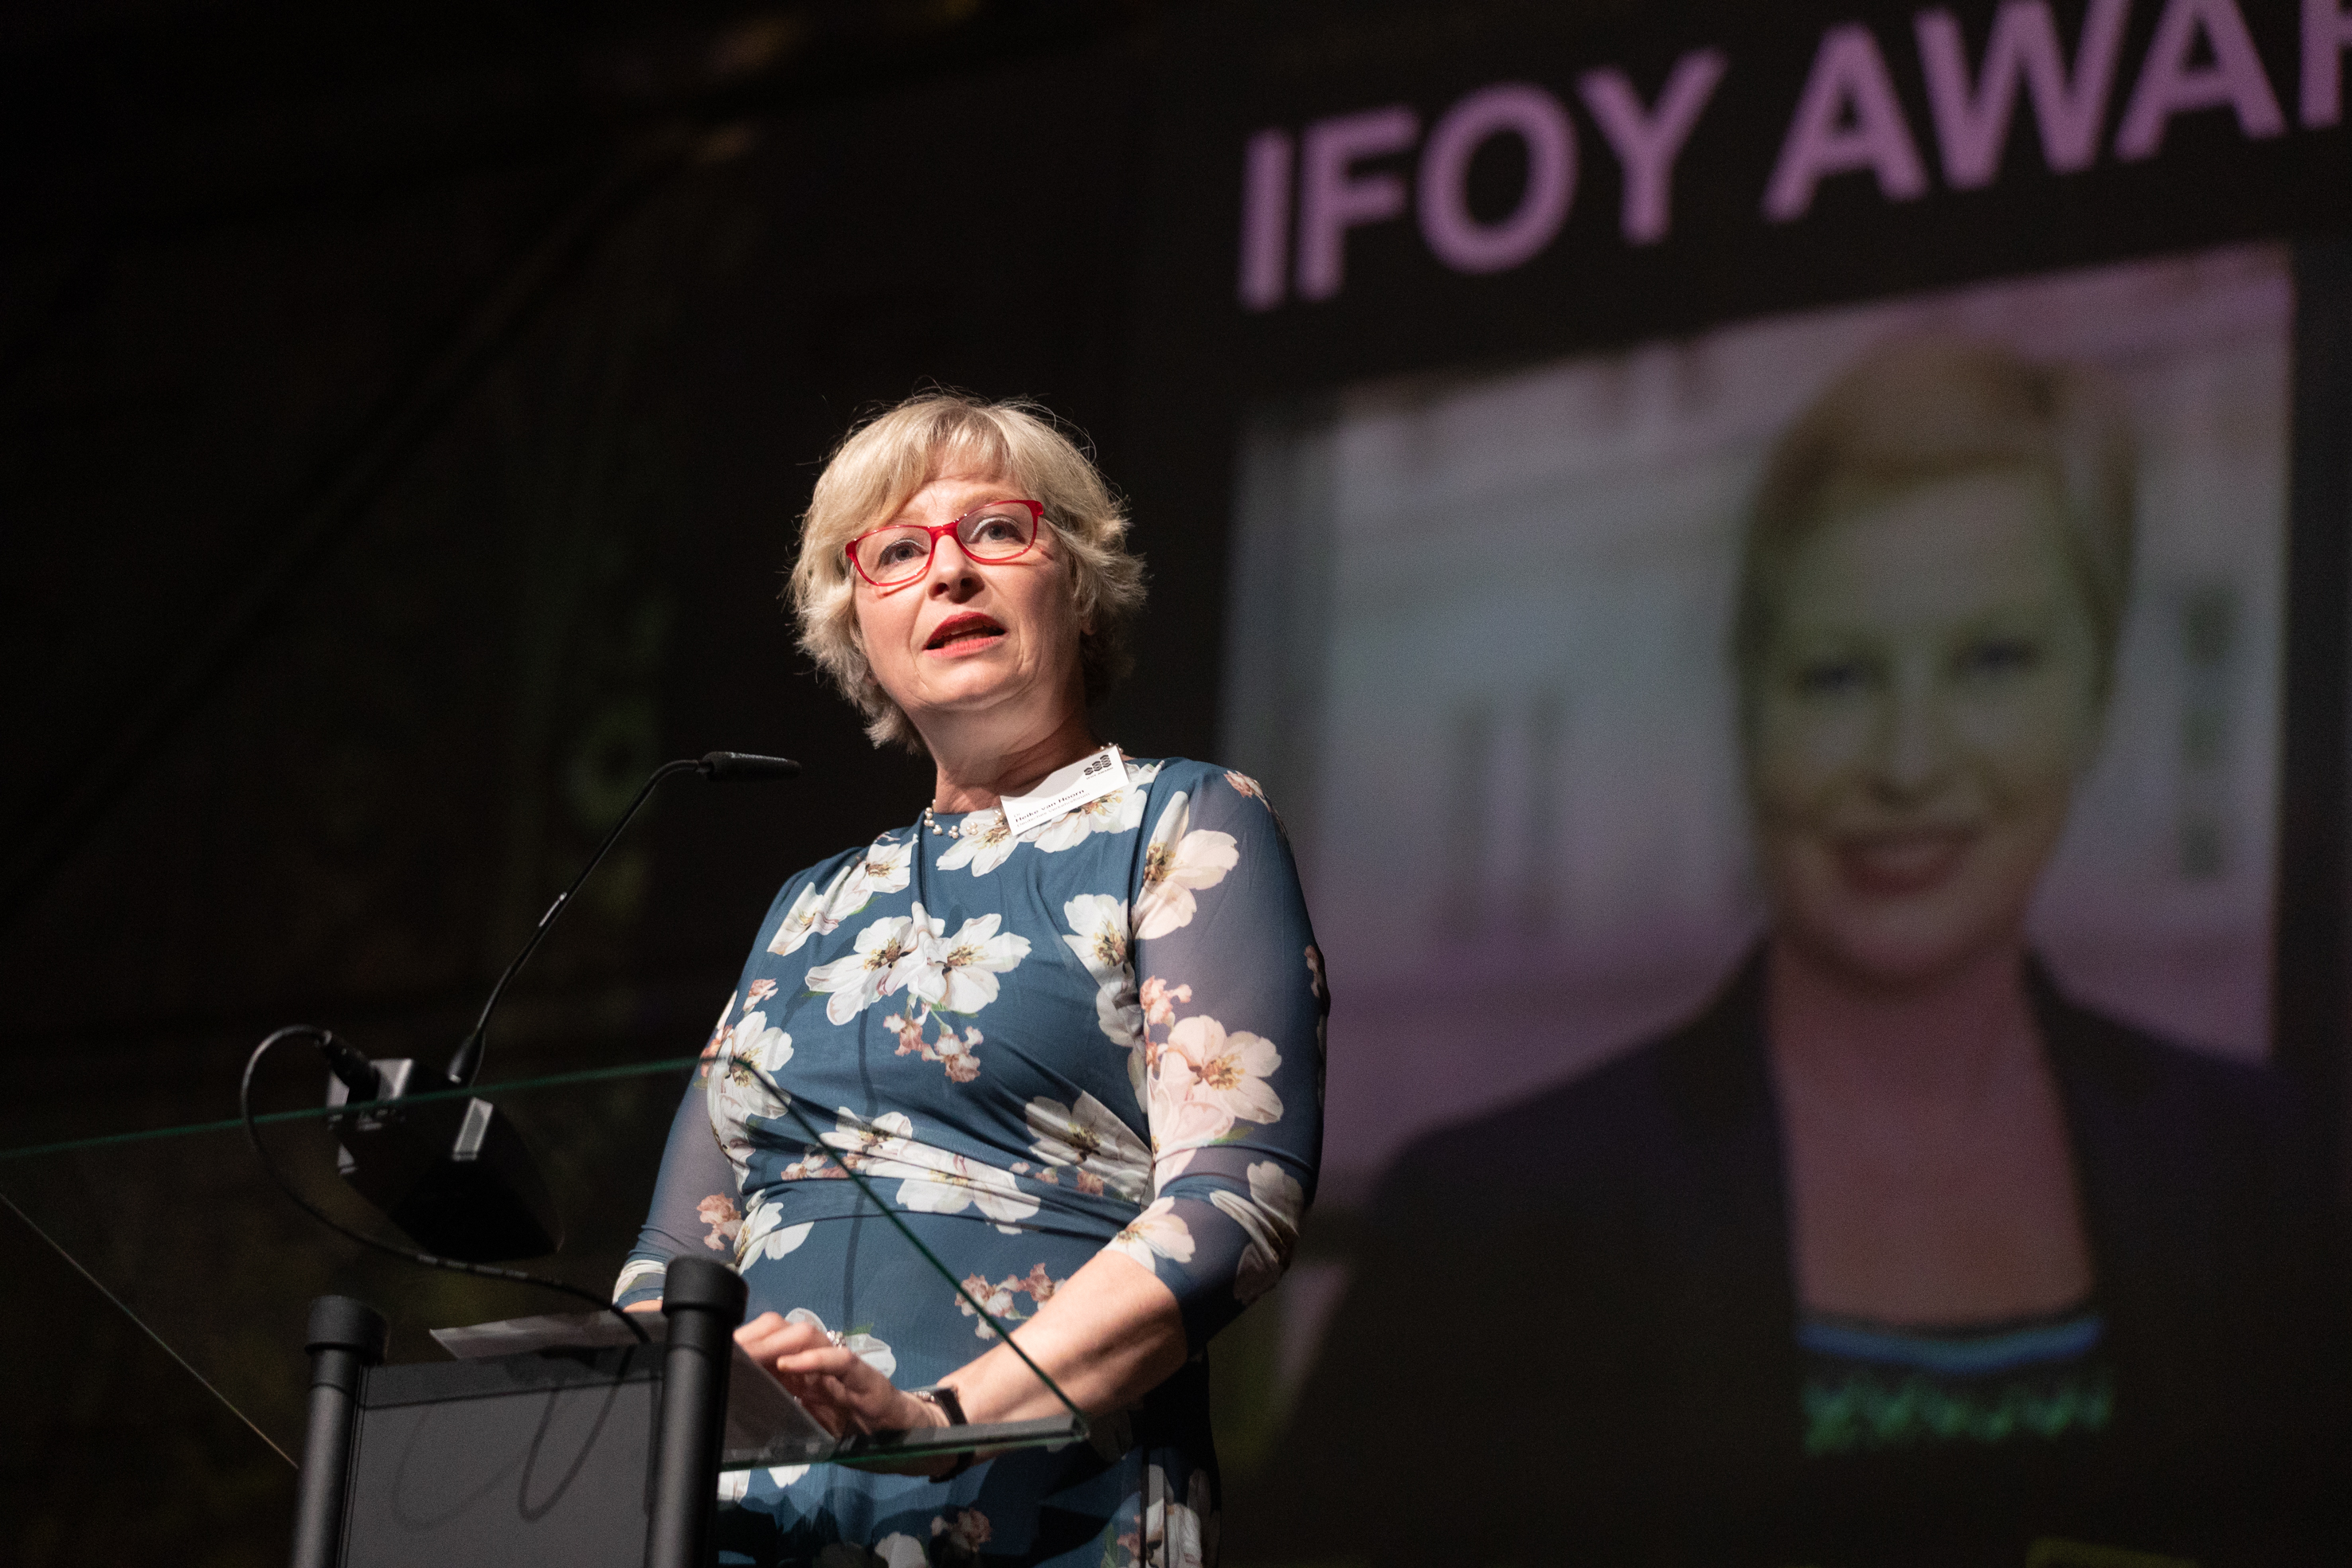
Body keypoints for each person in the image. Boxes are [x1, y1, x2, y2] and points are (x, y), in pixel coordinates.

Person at [1258, 339, 2346, 1564]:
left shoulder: (2263, 1176)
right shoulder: (1490, 1226)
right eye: (1835, 676)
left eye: (1993, 660)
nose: (1907, 761)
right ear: (1745, 707)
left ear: (2097, 693)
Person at [616, 393, 1325, 1567]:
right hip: (749, 1529)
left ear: (1077, 586)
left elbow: (1232, 1205)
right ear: (859, 631)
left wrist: (938, 1422)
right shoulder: (809, 905)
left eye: (997, 531)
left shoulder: (1183, 823)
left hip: (1039, 1505)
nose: (948, 572)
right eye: (898, 552)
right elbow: (673, 1257)